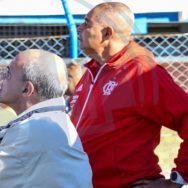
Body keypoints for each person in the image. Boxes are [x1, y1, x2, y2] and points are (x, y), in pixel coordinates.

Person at [69, 2, 188, 187]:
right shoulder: (94, 69)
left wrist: (178, 179)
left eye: (87, 23)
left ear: (107, 33)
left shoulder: (141, 72)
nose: (79, 28)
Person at [0, 49, 93, 187]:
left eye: (8, 73)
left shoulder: (35, 131)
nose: (1, 76)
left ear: (26, 89)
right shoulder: (46, 122)